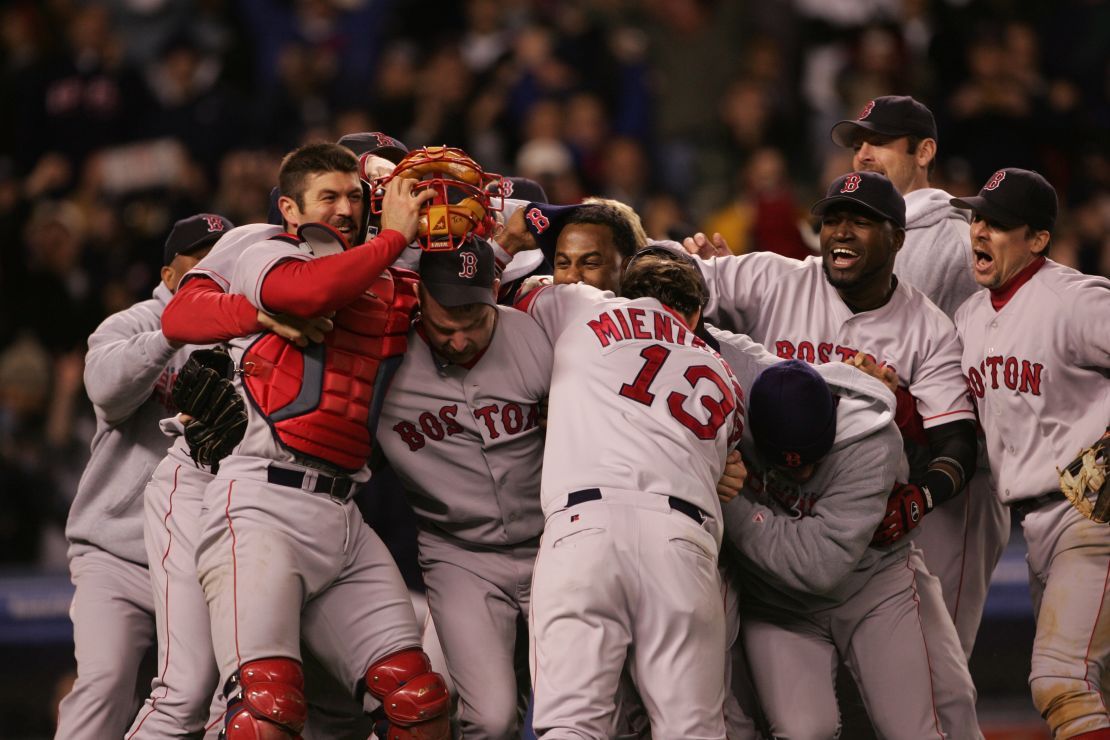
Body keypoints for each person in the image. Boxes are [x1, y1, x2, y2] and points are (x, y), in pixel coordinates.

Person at [683, 171, 980, 731]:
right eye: (832, 219)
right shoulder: (774, 276)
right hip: (769, 530)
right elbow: (671, 279)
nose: (840, 232)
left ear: (897, 238)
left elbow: (957, 440)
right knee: (799, 728)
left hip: (868, 546)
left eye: (860, 221)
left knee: (946, 712)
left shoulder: (927, 327)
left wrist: (921, 496)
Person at [179, 141, 452, 739]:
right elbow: (293, 294)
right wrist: (393, 238)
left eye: (355, 196)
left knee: (420, 703)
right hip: (258, 501)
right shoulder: (264, 246)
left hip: (343, 512)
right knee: (265, 714)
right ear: (290, 208)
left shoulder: (390, 269)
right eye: (329, 197)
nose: (345, 208)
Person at [523, 250, 745, 738]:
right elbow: (728, 467)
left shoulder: (587, 308)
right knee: (693, 731)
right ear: (694, 315)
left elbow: (517, 289)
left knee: (572, 725)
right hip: (682, 540)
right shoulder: (722, 371)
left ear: (625, 292)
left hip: (586, 529)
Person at [713, 354, 980, 738]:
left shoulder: (870, 439)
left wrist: (731, 502)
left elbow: (817, 566)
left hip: (872, 587)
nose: (801, 472)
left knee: (919, 728)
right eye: (787, 463)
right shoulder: (730, 399)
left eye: (810, 459)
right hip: (777, 603)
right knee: (805, 732)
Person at [832, 96, 1007, 655]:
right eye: (857, 142)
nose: (863, 153)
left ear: (924, 151)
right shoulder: (857, 238)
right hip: (877, 473)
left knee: (939, 662)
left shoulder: (961, 236)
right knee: (886, 672)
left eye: (879, 141)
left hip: (957, 475)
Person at [55, 213, 232, 740]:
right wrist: (172, 333)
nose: (211, 270)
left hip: (205, 555)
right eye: (198, 261)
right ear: (169, 275)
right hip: (118, 554)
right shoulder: (130, 324)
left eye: (222, 260)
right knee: (105, 682)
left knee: (225, 694)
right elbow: (106, 390)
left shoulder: (250, 335)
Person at [951, 168, 1110, 739]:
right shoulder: (969, 317)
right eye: (978, 219)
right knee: (1095, 692)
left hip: (1092, 513)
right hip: (1037, 524)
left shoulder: (1074, 300)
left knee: (1060, 680)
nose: (980, 232)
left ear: (1038, 239)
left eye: (998, 224)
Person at [376, 237, 553, 739]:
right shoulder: (386, 361)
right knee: (491, 719)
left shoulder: (539, 337)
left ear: (495, 288)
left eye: (474, 322)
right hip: (459, 555)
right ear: (418, 300)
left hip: (552, 545)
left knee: (568, 711)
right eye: (443, 326)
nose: (459, 340)